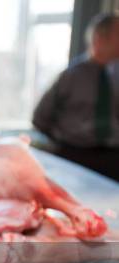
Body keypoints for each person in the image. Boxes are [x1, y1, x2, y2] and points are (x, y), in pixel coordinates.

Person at [32, 12, 119, 179]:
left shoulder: (116, 76)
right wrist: (62, 142)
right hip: (75, 155)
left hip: (112, 157)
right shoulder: (71, 76)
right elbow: (40, 117)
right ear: (100, 38)